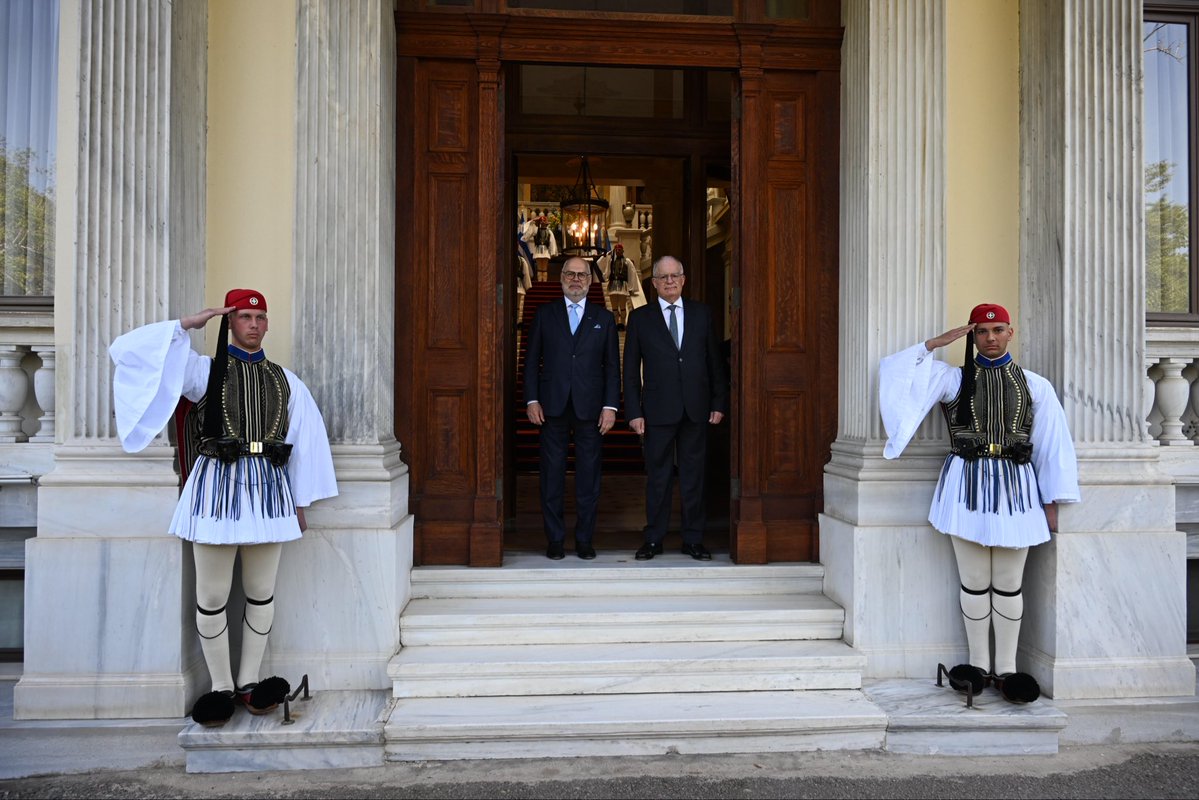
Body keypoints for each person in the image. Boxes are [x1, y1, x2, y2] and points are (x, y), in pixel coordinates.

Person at [109, 289, 338, 727]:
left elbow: (305, 444)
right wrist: (191, 323)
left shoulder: (288, 381)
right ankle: (219, 686)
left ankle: (249, 683)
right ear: (231, 323)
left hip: (269, 492)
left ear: (267, 325)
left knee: (261, 592)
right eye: (244, 316)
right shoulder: (202, 372)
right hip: (215, 489)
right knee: (212, 596)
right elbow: (128, 352)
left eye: (259, 317)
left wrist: (300, 502)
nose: (253, 324)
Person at [878, 303, 1079, 703]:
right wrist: (936, 343)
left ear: (1010, 332)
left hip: (1017, 489)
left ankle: (1006, 669)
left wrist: (1052, 501)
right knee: (973, 581)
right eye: (982, 332)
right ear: (973, 335)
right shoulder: (951, 380)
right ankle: (976, 665)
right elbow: (898, 375)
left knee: (1007, 583)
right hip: (965, 485)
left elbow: (1054, 443)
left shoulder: (1035, 384)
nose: (990, 338)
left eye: (998, 330)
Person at [623, 255, 728, 561]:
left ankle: (693, 539)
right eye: (663, 277)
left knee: (694, 476)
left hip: (697, 408)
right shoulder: (640, 318)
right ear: (653, 283)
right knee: (658, 478)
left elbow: (714, 362)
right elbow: (630, 370)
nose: (669, 281)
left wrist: (718, 401)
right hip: (656, 411)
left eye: (674, 276)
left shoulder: (702, 314)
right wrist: (633, 411)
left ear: (683, 280)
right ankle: (654, 538)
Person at [524, 257, 621, 560]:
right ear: (561, 278)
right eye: (570, 274)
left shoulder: (603, 318)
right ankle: (554, 539)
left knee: (588, 478)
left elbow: (611, 368)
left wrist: (610, 406)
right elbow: (530, 361)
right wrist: (531, 399)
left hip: (591, 410)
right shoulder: (544, 314)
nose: (576, 279)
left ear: (590, 282)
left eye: (582, 275)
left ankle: (584, 540)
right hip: (551, 407)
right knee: (551, 475)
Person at [597, 243, 641, 330]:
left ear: (623, 250)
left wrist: (631, 287)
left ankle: (623, 323)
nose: (618, 251)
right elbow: (603, 269)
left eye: (619, 250)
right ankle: (616, 323)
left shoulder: (627, 261)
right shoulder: (611, 261)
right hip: (612, 285)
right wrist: (605, 256)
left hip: (623, 286)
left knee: (622, 307)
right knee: (614, 307)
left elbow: (632, 274)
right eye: (616, 250)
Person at [522, 214, 559, 281]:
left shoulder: (549, 232)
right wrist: (532, 223)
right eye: (541, 222)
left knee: (544, 269)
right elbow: (527, 235)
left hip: (545, 251)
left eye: (544, 222)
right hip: (538, 251)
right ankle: (540, 282)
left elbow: (552, 242)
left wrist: (553, 252)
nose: (542, 223)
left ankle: (544, 282)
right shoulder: (535, 230)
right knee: (539, 269)